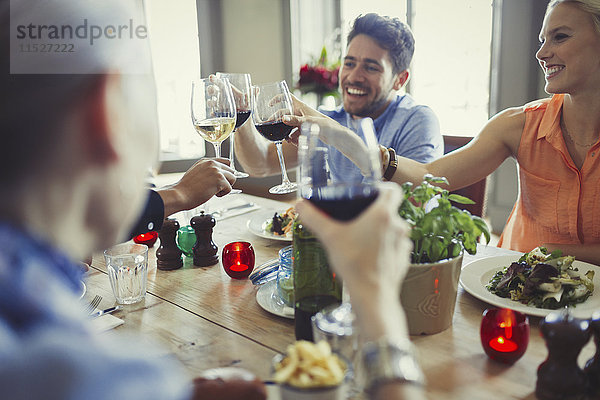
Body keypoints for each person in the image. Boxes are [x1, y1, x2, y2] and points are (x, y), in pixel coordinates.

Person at [288, 0, 600, 266]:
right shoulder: (518, 125)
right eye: (542, 40)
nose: (541, 53)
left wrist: (554, 252)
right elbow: (428, 178)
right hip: (514, 285)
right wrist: (340, 136)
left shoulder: (416, 117)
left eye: (559, 37)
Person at [234, 13, 442, 180]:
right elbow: (260, 165)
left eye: (370, 67)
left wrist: (328, 127)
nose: (353, 76)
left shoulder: (416, 120)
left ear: (400, 79)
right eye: (349, 63)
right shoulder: (330, 117)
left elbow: (414, 203)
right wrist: (242, 117)